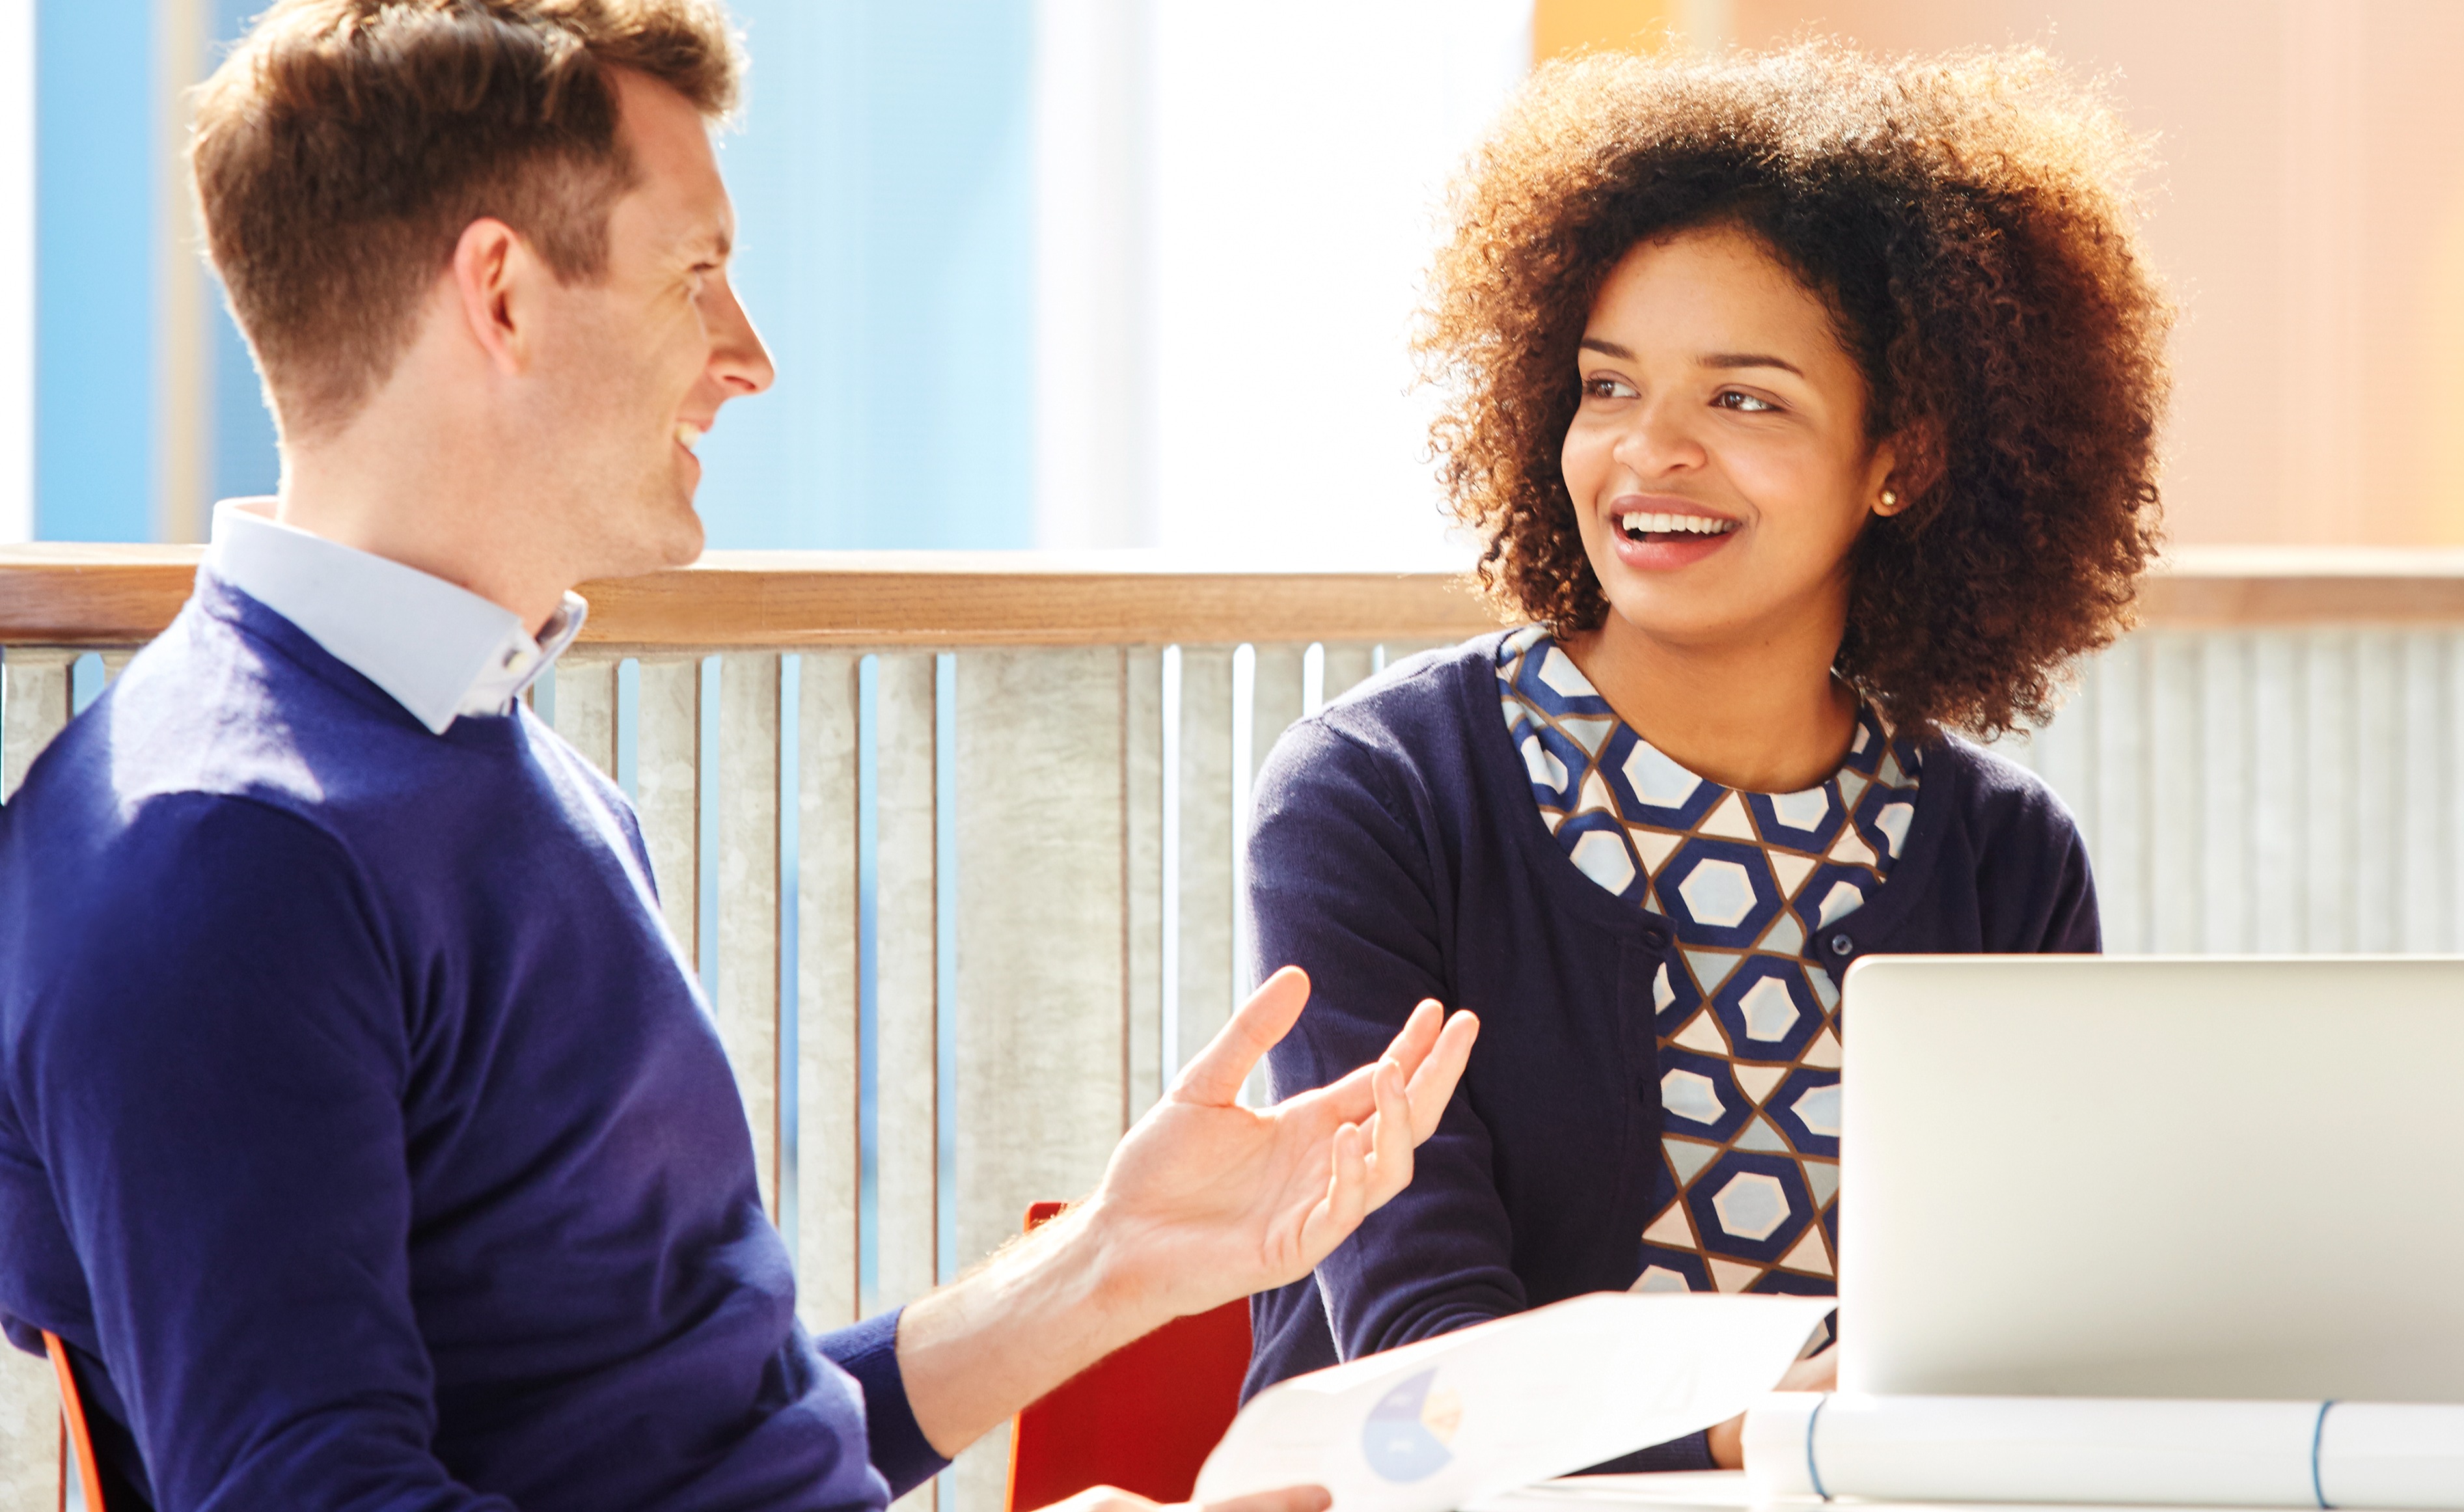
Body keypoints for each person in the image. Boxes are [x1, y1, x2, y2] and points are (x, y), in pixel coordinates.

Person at [0, 3, 1478, 1507]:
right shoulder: (224, 852)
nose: (748, 357)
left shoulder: (501, 772)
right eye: (695, 274)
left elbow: (689, 1441)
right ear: (500, 295)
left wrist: (1116, 1257)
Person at [1237, 42, 2167, 1472]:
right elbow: (1426, 1365)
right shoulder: (1380, 796)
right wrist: (1762, 1436)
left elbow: (2026, 1335)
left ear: (1899, 455)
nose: (1646, 451)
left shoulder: (2002, 856)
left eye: (1745, 400)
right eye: (1607, 387)